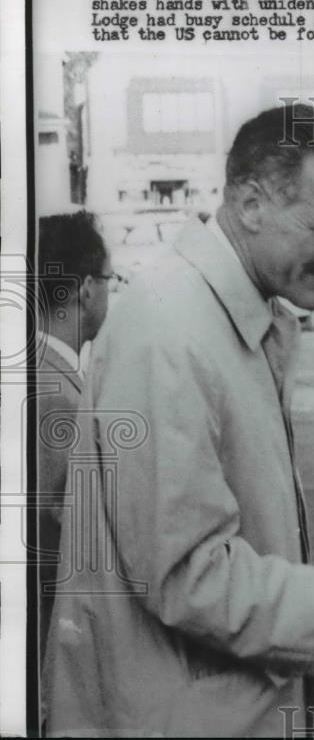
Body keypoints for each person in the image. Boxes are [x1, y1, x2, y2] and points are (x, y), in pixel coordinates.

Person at [42, 104, 314, 737]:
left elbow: (236, 548)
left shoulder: (223, 315)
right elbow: (187, 575)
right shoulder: (171, 330)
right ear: (252, 204)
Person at [35, 211, 116, 661]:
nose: (109, 293)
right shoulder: (57, 394)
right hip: (50, 638)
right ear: (86, 288)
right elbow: (61, 537)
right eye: (109, 280)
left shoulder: (41, 371)